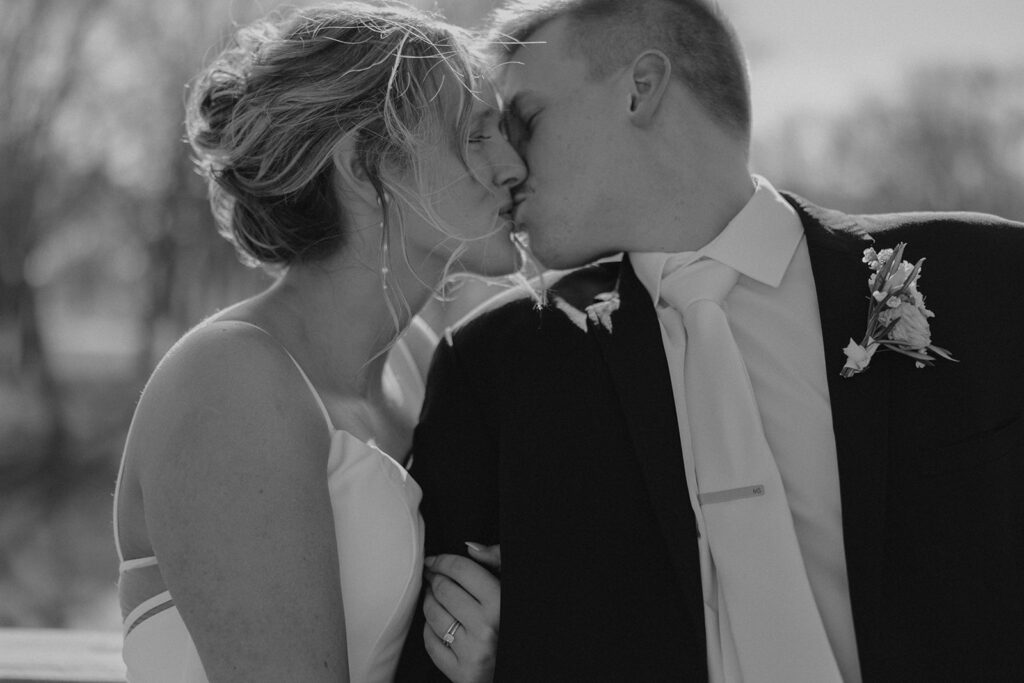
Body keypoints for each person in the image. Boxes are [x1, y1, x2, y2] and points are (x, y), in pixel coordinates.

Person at [397, 0, 1024, 681]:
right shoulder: (496, 366)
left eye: (527, 121)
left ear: (641, 88)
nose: (509, 166)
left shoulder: (992, 279)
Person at [112, 3, 524, 681]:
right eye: (476, 136)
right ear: (364, 167)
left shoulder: (418, 360)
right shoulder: (231, 382)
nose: (512, 165)